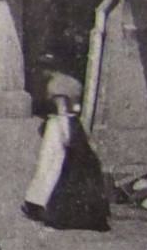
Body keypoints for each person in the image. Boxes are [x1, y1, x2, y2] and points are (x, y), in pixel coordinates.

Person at [22, 67, 110, 231]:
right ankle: (40, 204)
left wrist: (64, 135)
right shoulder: (69, 91)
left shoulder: (60, 93)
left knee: (52, 169)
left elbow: (63, 118)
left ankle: (41, 206)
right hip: (63, 128)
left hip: (60, 130)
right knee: (52, 169)